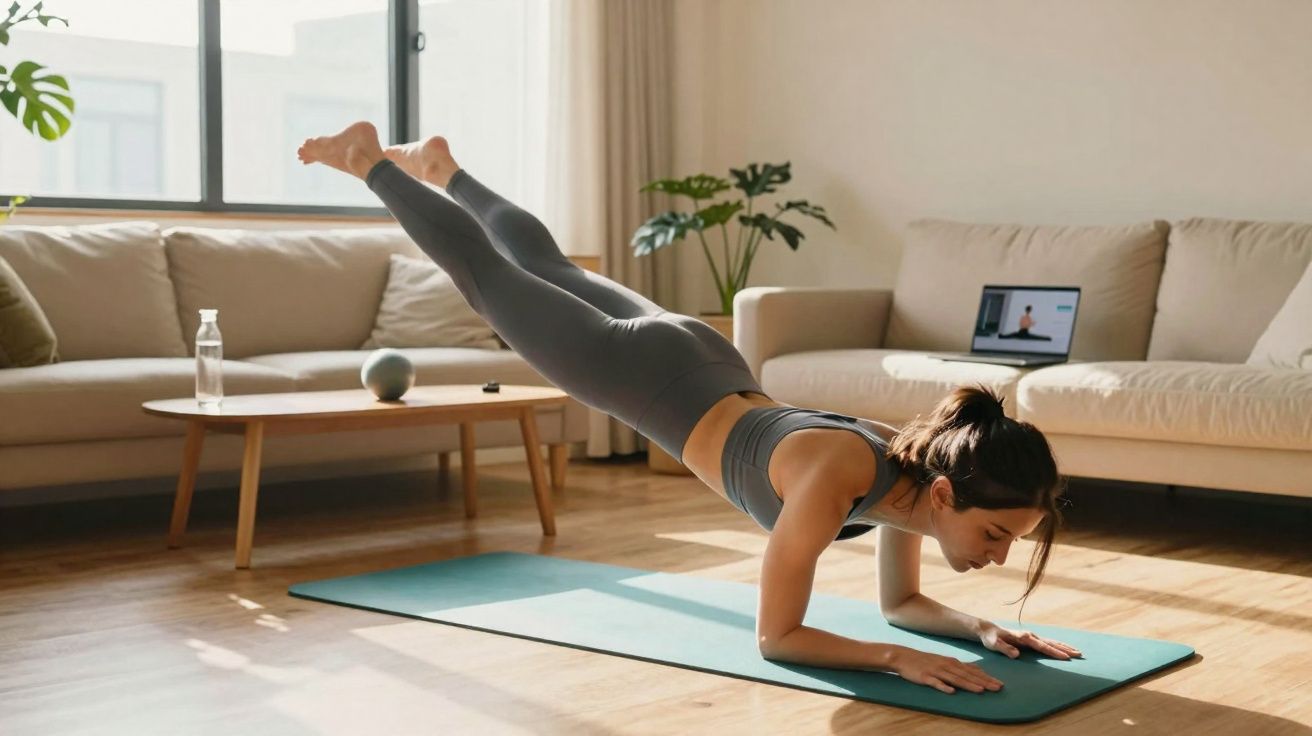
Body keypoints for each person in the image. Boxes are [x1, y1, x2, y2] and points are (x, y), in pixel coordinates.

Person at [297, 121, 1082, 696]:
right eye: (994, 533)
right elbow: (778, 637)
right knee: (485, 280)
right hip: (642, 374)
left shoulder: (907, 471)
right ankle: (370, 161)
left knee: (538, 264)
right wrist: (891, 658)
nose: (998, 555)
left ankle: (445, 167)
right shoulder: (847, 472)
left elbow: (902, 604)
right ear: (949, 494)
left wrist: (977, 629)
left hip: (699, 356)